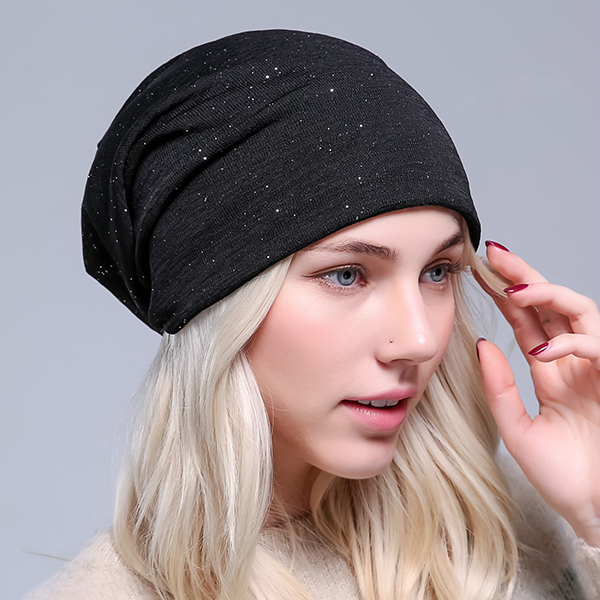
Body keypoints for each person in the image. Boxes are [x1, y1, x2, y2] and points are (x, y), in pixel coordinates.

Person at [26, 29, 599, 600]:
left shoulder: (516, 519)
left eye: (438, 271)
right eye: (347, 274)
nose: (420, 340)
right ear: (219, 305)